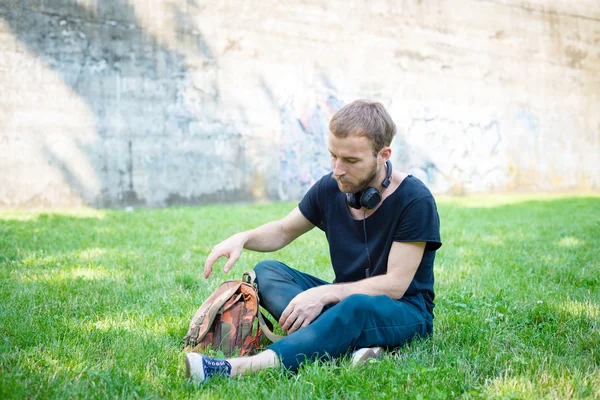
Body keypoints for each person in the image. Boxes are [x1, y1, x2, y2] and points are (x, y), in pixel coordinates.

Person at [186, 100, 442, 383]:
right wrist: (243, 238)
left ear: (383, 155)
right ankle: (346, 340)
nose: (338, 169)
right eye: (333, 156)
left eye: (351, 161)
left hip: (404, 310)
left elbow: (395, 285)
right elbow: (284, 230)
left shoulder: (415, 200)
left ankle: (235, 368)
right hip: (343, 300)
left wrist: (322, 295)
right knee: (268, 271)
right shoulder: (331, 187)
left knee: (355, 308)